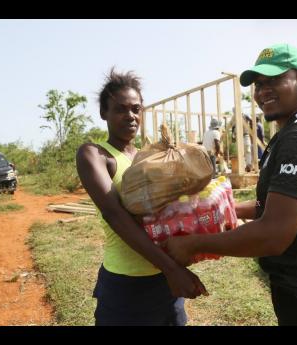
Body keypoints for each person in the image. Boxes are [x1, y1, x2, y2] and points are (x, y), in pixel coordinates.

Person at [165, 44, 297, 326]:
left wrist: (193, 244)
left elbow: (273, 234)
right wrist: (228, 209)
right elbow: (273, 207)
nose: (262, 91)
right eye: (259, 84)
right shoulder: (294, 129)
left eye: (274, 80)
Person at [76, 67, 207, 326]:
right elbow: (115, 216)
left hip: (164, 281)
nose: (130, 116)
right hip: (125, 285)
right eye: (120, 109)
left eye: (136, 109)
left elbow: (175, 210)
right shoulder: (95, 155)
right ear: (104, 113)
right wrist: (172, 269)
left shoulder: (151, 157)